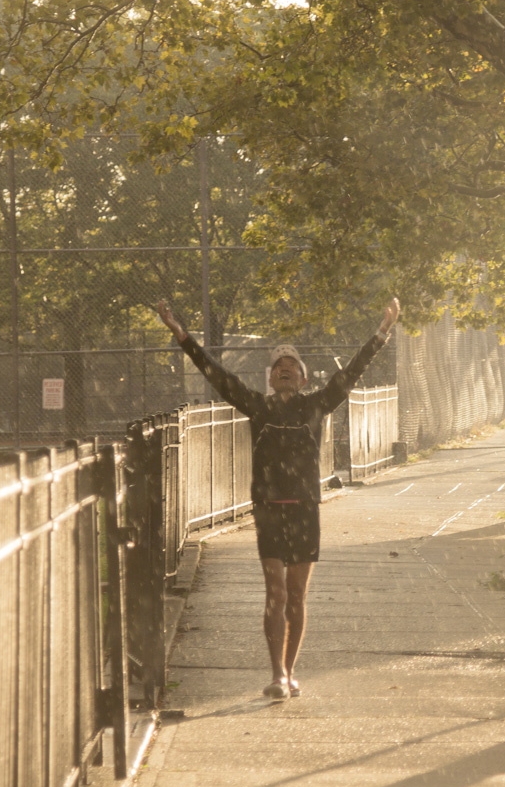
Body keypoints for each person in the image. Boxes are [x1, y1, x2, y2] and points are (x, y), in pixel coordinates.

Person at [156, 297, 400, 699]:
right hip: (269, 510)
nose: (284, 368)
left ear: (303, 380)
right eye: (278, 367)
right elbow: (216, 375)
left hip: (305, 509)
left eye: (292, 367)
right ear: (271, 379)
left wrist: (383, 331)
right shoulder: (257, 406)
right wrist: (181, 335)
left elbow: (353, 372)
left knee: (297, 595)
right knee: (276, 592)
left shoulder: (317, 405)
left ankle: (291, 669)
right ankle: (277, 676)